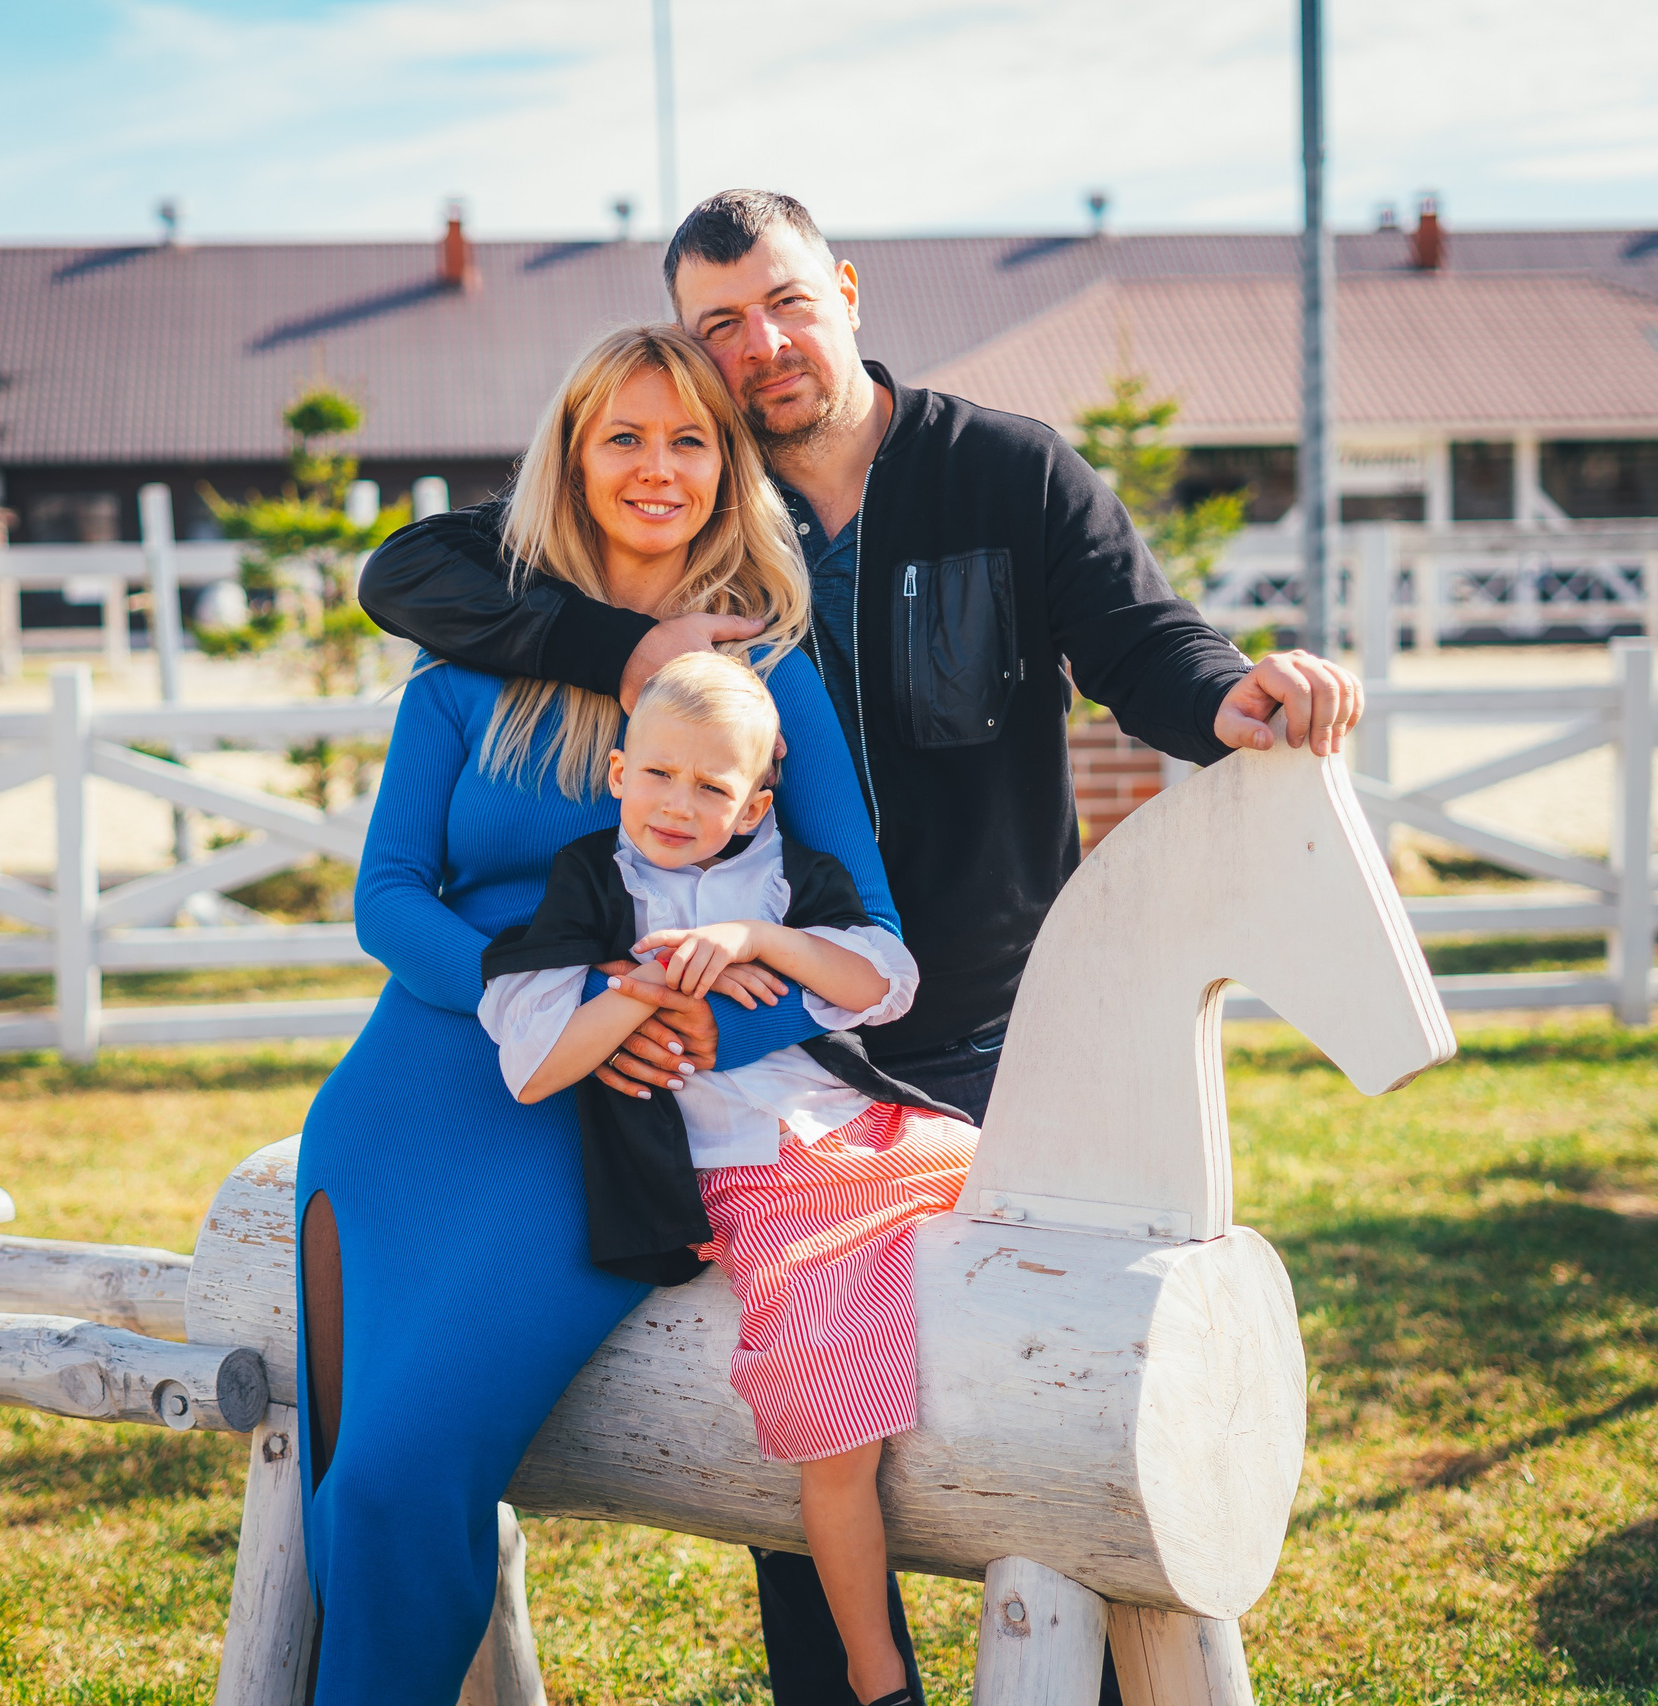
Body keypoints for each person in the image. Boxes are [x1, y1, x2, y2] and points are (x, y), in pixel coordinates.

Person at [359, 188, 1366, 1704]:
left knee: (1043, 1387)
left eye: (782, 303)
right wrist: (624, 648)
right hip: (754, 1043)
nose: (758, 346)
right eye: (718, 328)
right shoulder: (703, 502)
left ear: (841, 287)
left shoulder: (1004, 473)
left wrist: (1232, 697)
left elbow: (1139, 633)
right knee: (813, 1423)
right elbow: (415, 573)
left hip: (973, 1024)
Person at [294, 323, 921, 1706]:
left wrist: (695, 1029)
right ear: (571, 460)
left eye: (690, 437)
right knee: (339, 1487)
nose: (656, 467)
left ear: (727, 465)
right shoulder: (474, 653)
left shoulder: (769, 677)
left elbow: (857, 928)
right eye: (622, 436)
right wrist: (539, 992)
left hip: (612, 1113)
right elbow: (389, 896)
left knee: (402, 1475)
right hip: (416, 1081)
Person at [481, 651, 975, 1706]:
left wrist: (760, 940)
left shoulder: (792, 874)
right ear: (617, 772)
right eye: (658, 774)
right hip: (746, 1179)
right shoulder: (590, 885)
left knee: (1034, 1183)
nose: (678, 802)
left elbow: (884, 982)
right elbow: (533, 1064)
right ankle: (876, 1669)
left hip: (869, 1133)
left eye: (712, 787)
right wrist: (649, 984)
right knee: (826, 1402)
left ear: (753, 802)